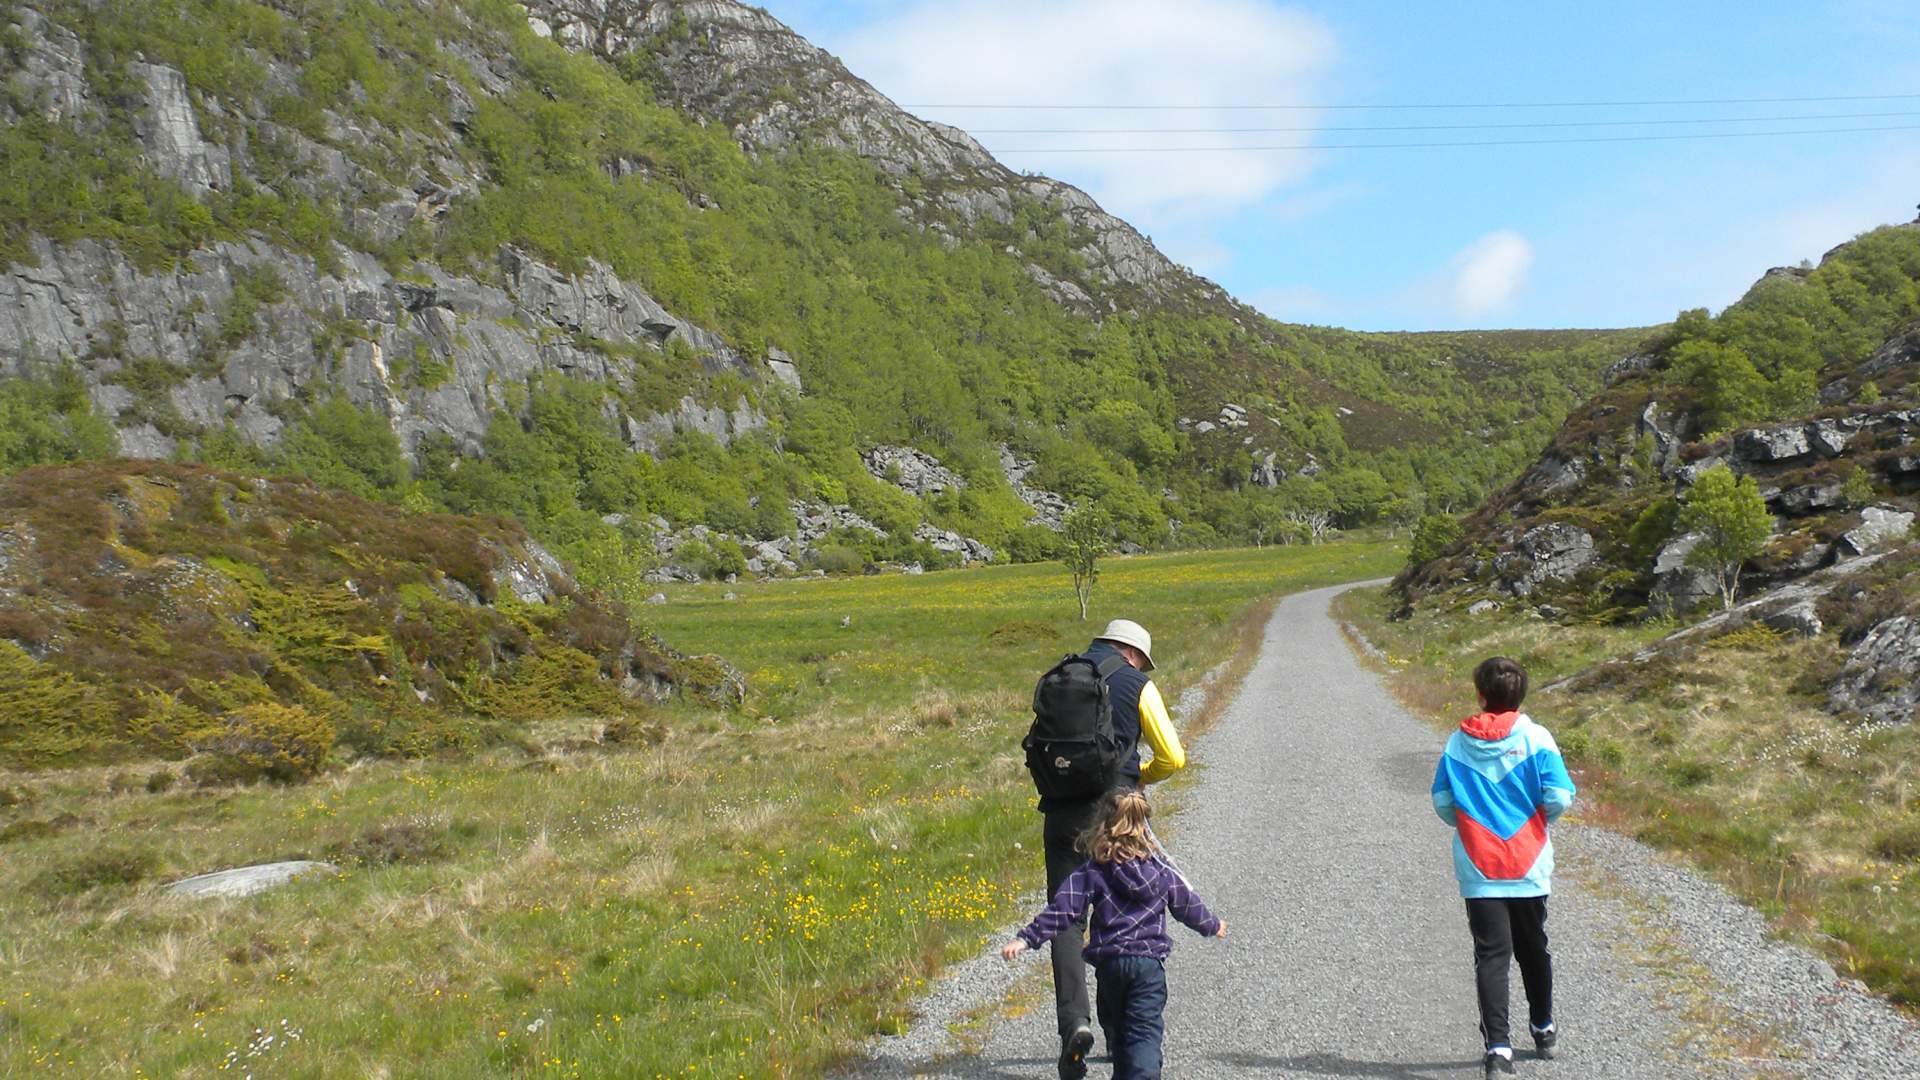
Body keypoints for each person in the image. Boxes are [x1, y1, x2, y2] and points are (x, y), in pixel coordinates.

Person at [1037, 618, 1187, 1078]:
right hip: (1116, 816)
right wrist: (1139, 779)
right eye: (1143, 659)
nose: (1143, 666)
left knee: (1067, 919)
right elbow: (1173, 757)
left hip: (1061, 812)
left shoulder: (1058, 677)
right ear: (1131, 652)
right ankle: (1117, 1031)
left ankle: (1074, 1026)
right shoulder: (1136, 684)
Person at [1002, 790, 1224, 1080]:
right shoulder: (1161, 871)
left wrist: (1027, 938)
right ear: (1145, 828)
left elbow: (1063, 909)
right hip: (1147, 966)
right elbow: (1187, 905)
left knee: (1120, 1036)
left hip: (1111, 968)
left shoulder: (1094, 871)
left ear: (1101, 827)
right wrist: (1212, 924)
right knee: (1143, 1034)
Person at [1431, 657, 1576, 1078]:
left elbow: (1442, 801)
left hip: (1479, 867)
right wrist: (1536, 820)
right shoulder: (1537, 738)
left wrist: (1472, 825)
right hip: (1528, 863)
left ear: (1480, 695)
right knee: (1534, 948)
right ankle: (1543, 1027)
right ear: (1521, 695)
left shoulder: (1457, 744)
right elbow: (1560, 797)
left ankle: (1498, 1049)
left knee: (1491, 956)